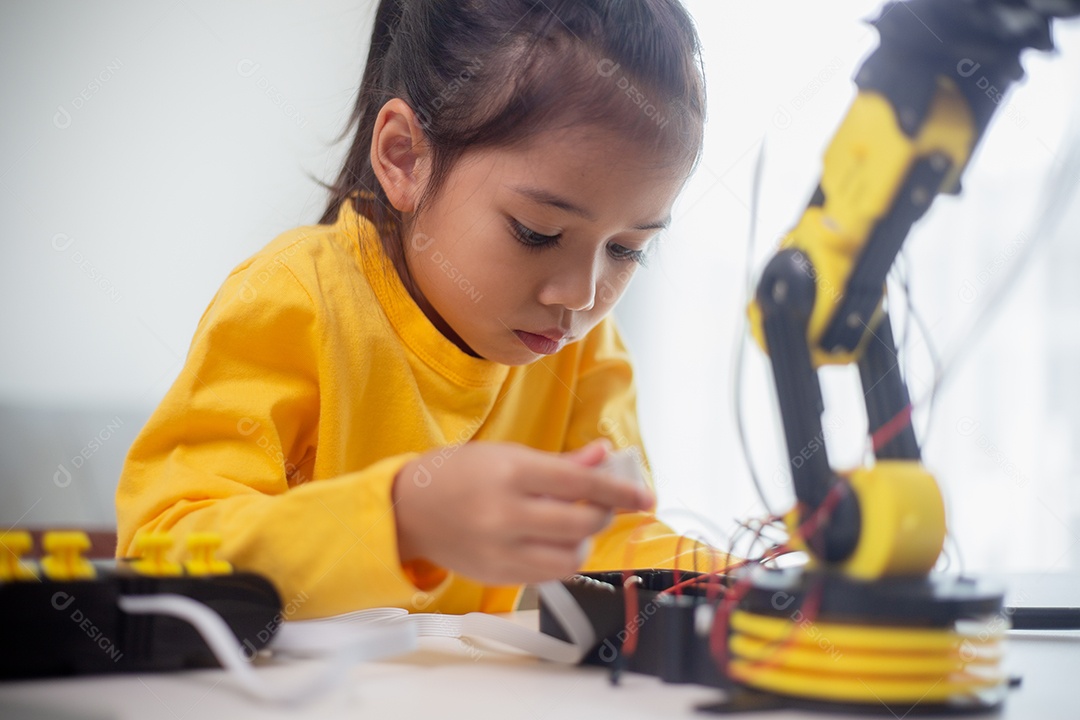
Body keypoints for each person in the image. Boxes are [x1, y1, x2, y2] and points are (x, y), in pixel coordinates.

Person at [116, 0, 727, 620]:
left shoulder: (586, 350)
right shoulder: (295, 300)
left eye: (627, 250)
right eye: (537, 232)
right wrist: (402, 521)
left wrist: (749, 580)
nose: (581, 296)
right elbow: (164, 551)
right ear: (405, 157)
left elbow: (613, 542)